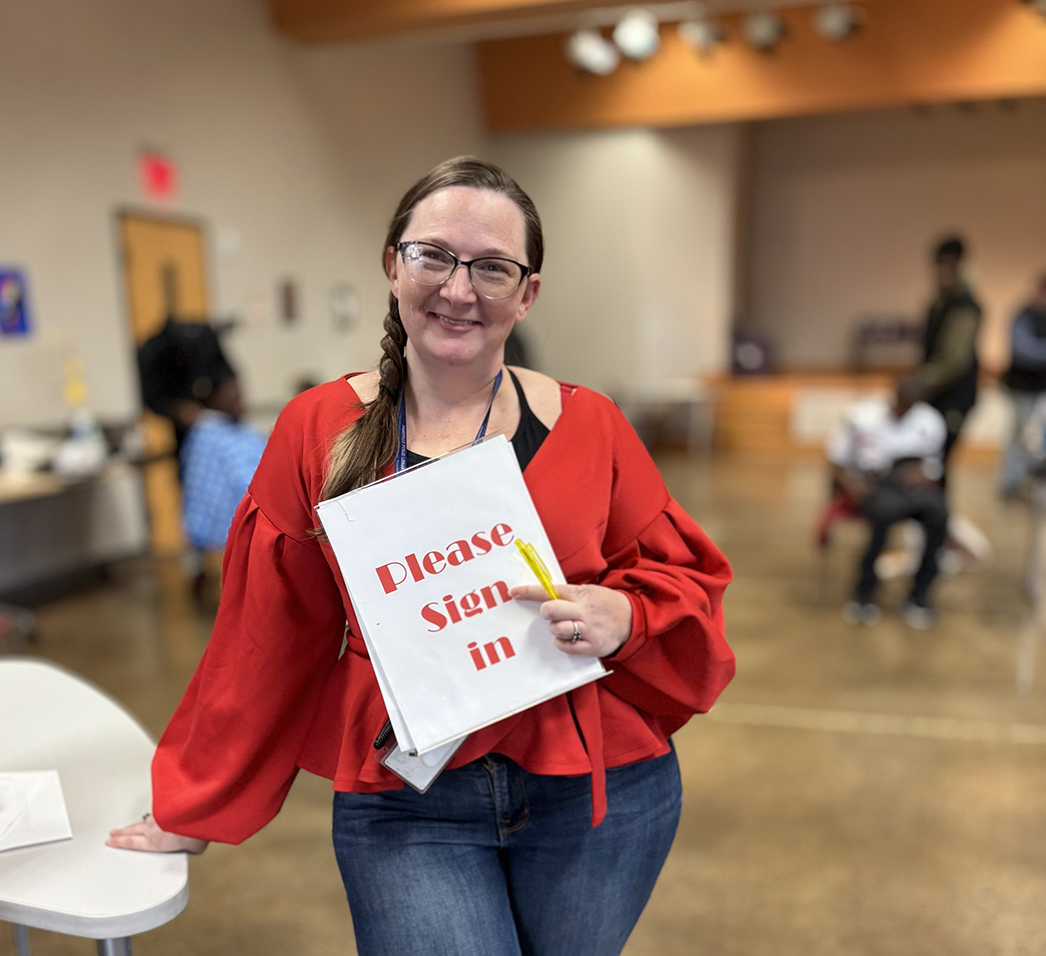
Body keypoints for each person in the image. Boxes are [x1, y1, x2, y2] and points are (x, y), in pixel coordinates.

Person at [107, 158, 735, 956]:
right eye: (433, 255)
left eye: (492, 268)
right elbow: (266, 633)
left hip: (597, 788)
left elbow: (685, 580)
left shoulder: (592, 425)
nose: (459, 289)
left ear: (527, 293)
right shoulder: (318, 429)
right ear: (392, 265)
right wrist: (193, 803)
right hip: (407, 797)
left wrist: (627, 613)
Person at [828, 379, 949, 629]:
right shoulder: (862, 417)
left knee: (939, 515)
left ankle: (919, 595)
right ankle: (864, 594)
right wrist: (852, 485)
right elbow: (837, 460)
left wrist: (922, 475)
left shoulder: (930, 421)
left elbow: (934, 467)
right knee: (883, 516)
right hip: (873, 483)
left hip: (913, 486)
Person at [913, 235, 982, 473]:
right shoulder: (940, 303)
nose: (941, 271)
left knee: (938, 463)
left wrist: (919, 382)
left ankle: (937, 511)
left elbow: (954, 359)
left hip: (954, 395)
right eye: (939, 264)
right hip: (936, 393)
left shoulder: (964, 306)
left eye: (948, 265)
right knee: (930, 462)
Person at [179, 370, 266, 552]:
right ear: (214, 397)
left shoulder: (238, 429)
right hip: (222, 537)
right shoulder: (209, 434)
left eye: (240, 395)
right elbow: (248, 482)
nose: (239, 398)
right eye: (233, 396)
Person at [999, 274, 1046, 498]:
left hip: (1041, 387)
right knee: (1019, 436)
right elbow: (1023, 351)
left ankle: (1038, 483)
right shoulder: (1023, 315)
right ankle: (1012, 483)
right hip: (1023, 388)